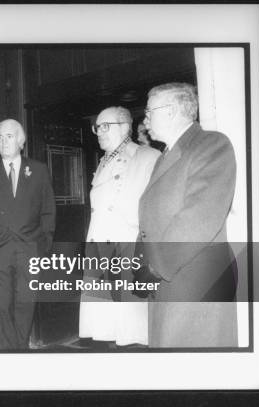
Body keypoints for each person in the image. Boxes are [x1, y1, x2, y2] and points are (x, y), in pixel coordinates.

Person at [136, 82, 238, 347]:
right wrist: (140, 264)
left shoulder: (211, 144)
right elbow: (152, 215)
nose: (145, 119)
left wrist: (155, 267)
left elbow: (198, 217)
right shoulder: (165, 156)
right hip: (169, 277)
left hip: (194, 280)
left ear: (170, 111)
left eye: (149, 111)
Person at [78, 106, 160, 348]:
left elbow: (153, 209)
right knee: (106, 323)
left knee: (131, 323)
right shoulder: (103, 161)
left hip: (126, 245)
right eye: (97, 127)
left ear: (125, 127)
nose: (99, 132)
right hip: (100, 245)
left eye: (106, 126)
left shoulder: (146, 156)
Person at [0, 119, 56, 350]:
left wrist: (44, 245)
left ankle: (20, 351)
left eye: (9, 136)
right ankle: (7, 355)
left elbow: (48, 211)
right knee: (1, 306)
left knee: (25, 304)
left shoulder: (38, 170)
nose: (3, 141)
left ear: (21, 140)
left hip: (29, 250)